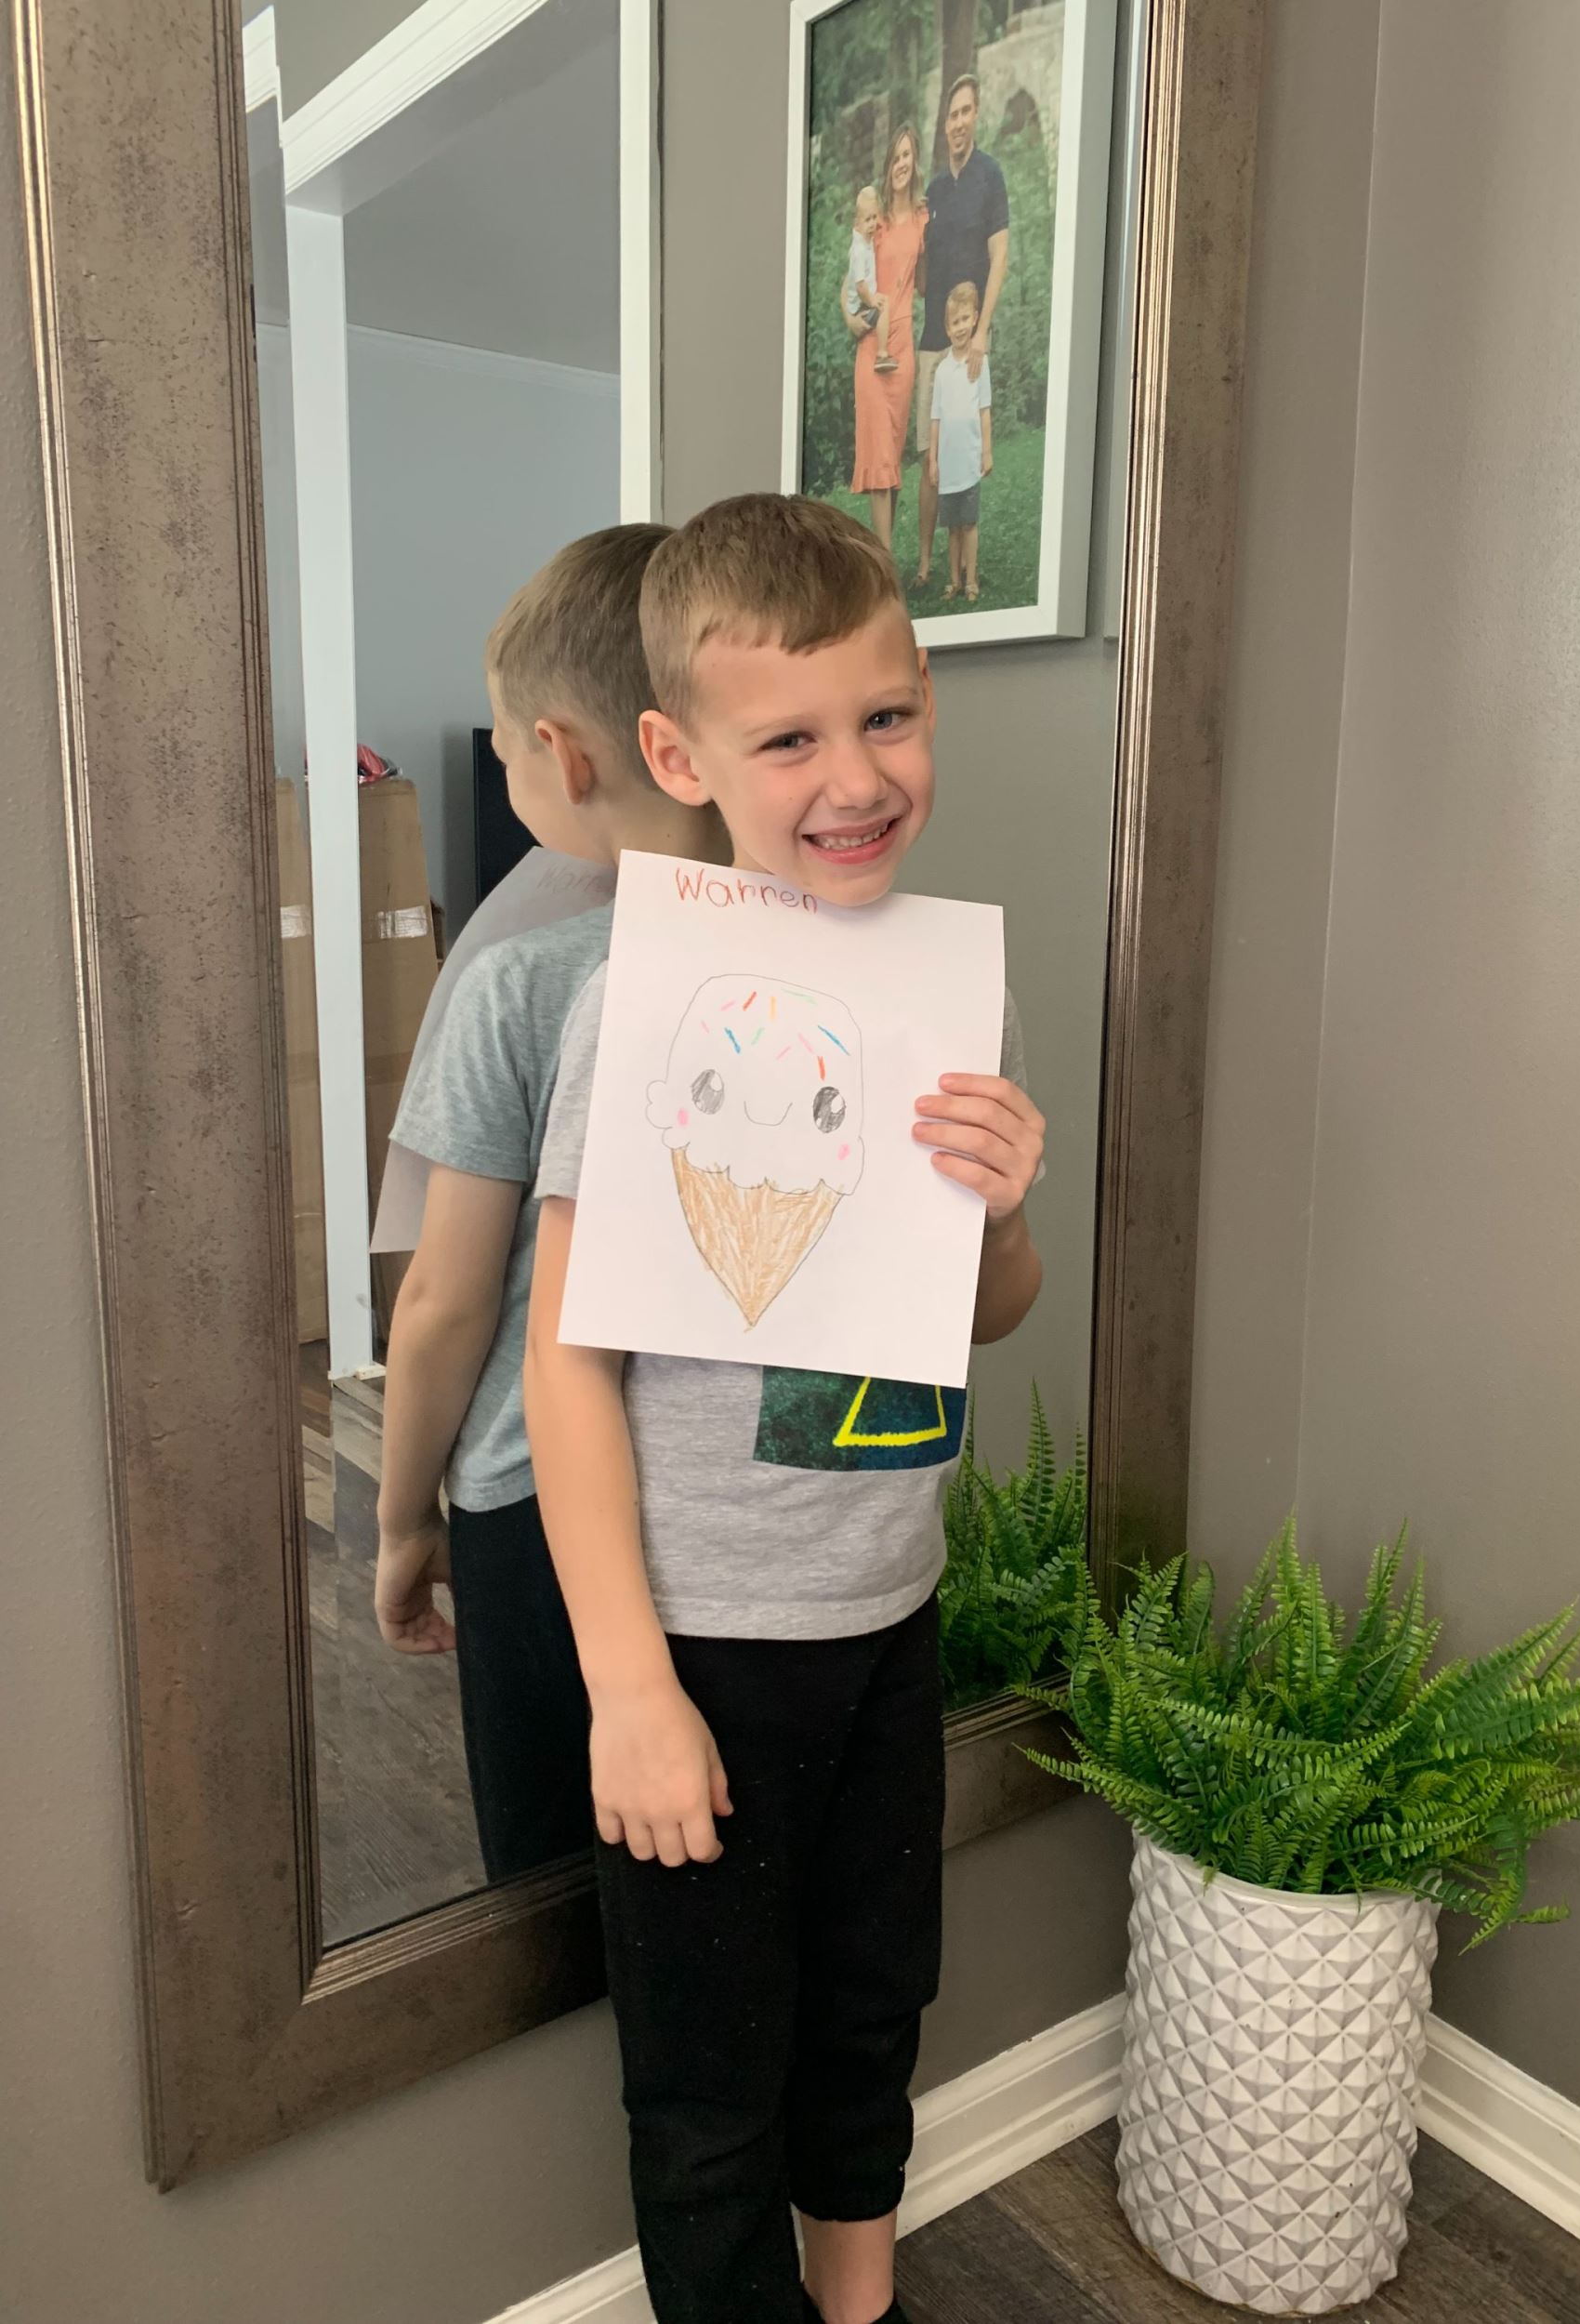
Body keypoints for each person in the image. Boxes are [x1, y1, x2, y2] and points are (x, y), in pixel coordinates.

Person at [524, 495, 1046, 2324]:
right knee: (707, 2078)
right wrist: (631, 1686)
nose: (855, 775)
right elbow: (566, 1362)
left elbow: (979, 1317)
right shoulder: (631, 1008)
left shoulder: (942, 1000)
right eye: (790, 739)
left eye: (886, 715)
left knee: (867, 2011)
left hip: (886, 1610)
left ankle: (861, 2301)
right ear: (680, 758)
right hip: (707, 1645)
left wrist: (1003, 1216)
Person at [372, 524, 725, 1883]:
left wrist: (404, 1519)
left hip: (531, 1496)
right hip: (727, 1510)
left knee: (552, 1876)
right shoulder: (827, 965)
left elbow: (445, 1301)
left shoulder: (519, 982)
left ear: (562, 758)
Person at [915, 74, 1008, 589]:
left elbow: (1000, 256)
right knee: (929, 454)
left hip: (968, 341)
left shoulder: (990, 177)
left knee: (967, 448)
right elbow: (921, 273)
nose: (958, 122)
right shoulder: (932, 191)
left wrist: (982, 332)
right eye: (951, 114)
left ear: (976, 116)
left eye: (965, 112)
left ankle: (967, 565)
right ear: (944, 123)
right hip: (932, 339)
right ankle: (926, 566)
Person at [844, 124, 928, 553]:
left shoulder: (923, 219)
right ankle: (885, 564)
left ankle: (881, 558)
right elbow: (850, 280)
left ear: (915, 161)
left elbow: (927, 281)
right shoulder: (874, 221)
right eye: (895, 157)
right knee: (878, 459)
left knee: (891, 462)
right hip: (872, 347)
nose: (900, 164)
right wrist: (849, 317)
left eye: (906, 155)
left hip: (903, 347)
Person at [927, 281, 994, 603]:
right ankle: (953, 581)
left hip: (969, 460)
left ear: (976, 318)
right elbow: (936, 417)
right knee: (952, 527)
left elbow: (984, 411)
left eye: (966, 319)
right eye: (955, 322)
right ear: (947, 328)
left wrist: (986, 452)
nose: (961, 327)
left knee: (969, 524)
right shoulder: (942, 370)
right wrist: (933, 460)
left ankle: (971, 581)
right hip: (949, 464)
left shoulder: (980, 364)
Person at [844, 184, 897, 374]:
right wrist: (872, 300)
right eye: (867, 220)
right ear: (857, 224)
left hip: (862, 301)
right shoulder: (859, 251)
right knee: (884, 305)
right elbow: (859, 285)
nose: (873, 224)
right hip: (860, 305)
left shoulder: (866, 239)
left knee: (882, 303)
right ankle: (882, 354)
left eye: (875, 217)